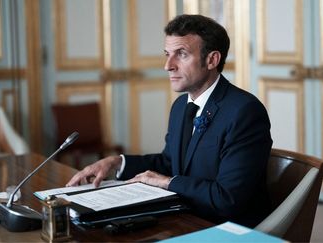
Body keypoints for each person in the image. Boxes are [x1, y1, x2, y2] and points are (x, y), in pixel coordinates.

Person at [66, 14, 272, 227]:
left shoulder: (245, 111)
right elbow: (169, 162)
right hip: (184, 217)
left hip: (227, 228)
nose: (168, 65)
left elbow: (228, 199)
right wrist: (117, 162)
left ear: (212, 60)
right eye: (167, 54)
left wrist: (167, 182)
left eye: (181, 54)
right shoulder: (180, 107)